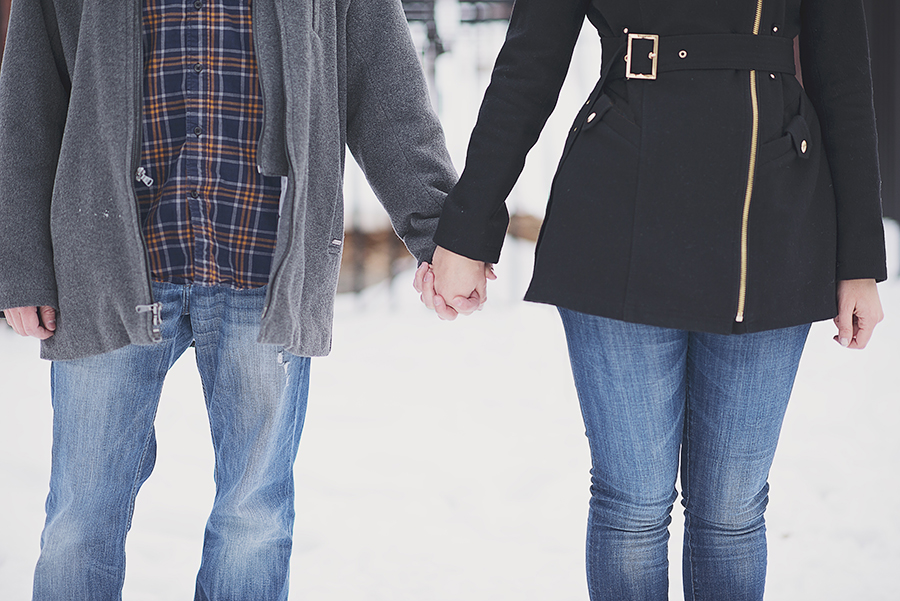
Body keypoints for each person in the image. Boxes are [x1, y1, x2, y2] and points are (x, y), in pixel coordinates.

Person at [415, 0, 886, 599]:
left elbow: (843, 72)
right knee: (632, 506)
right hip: (618, 209)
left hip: (770, 221)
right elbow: (530, 62)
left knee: (732, 514)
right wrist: (465, 231)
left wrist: (859, 262)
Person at [0, 0, 455, 599]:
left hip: (265, 256)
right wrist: (22, 261)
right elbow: (30, 91)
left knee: (255, 519)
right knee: (80, 518)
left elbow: (385, 87)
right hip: (109, 253)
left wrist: (440, 233)